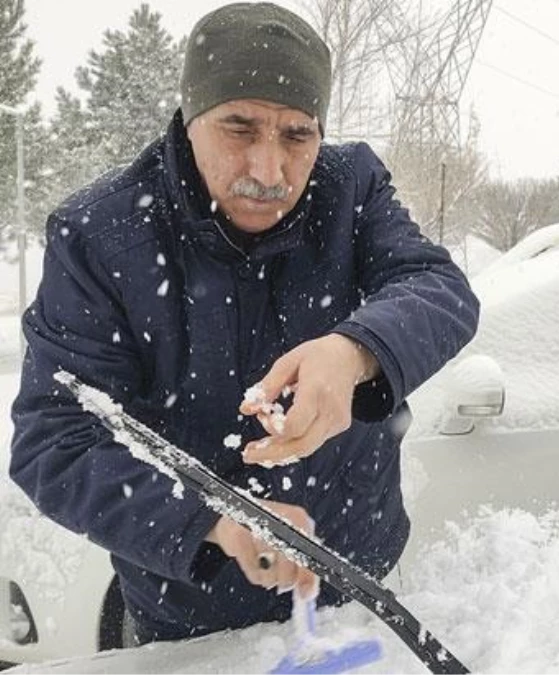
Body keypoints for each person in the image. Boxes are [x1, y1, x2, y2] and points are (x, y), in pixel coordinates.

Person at [8, 2, 479, 645]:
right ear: (191, 117)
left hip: (358, 590)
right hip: (194, 622)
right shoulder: (101, 237)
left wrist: (355, 352)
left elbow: (439, 288)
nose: (269, 171)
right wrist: (211, 522)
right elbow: (53, 439)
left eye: (297, 135)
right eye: (239, 127)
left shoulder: (350, 189)